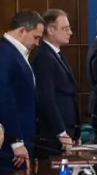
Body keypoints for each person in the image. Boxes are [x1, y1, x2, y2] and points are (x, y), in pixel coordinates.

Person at [0, 10, 43, 175]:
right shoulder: (3, 55)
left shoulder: (16, 53)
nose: (38, 43)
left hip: (24, 139)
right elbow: (2, 100)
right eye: (36, 37)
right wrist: (16, 141)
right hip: (12, 144)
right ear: (22, 31)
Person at [33, 9, 80, 159]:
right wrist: (61, 132)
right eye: (65, 29)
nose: (70, 32)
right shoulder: (44, 57)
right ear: (51, 30)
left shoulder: (56, 54)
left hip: (67, 131)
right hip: (54, 135)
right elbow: (47, 98)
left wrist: (75, 131)